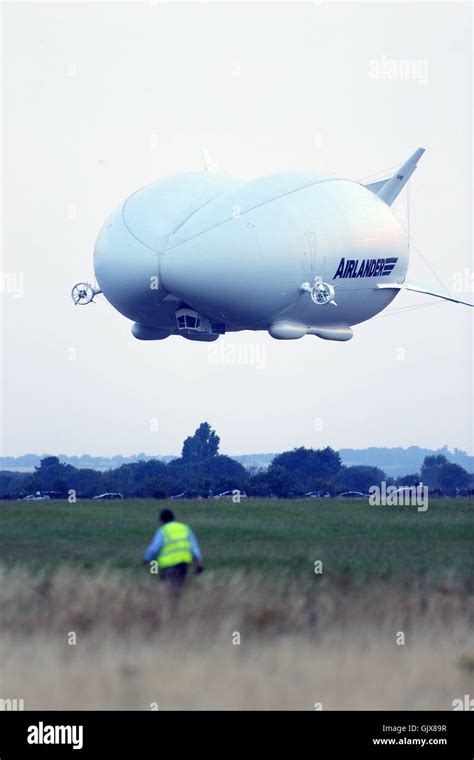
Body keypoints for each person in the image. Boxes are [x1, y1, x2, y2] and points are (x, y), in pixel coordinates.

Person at [143, 508, 203, 585]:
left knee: (167, 589)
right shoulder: (185, 528)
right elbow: (194, 549)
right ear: (173, 518)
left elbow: (153, 550)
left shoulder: (163, 531)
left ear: (161, 520)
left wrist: (146, 560)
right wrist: (199, 565)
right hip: (183, 565)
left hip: (168, 566)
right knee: (180, 588)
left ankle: (157, 583)